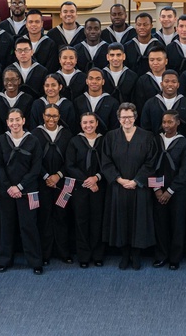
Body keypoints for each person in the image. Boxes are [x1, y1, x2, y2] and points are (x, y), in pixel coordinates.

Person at [101, 103, 158, 269]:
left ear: (135, 117)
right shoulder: (110, 137)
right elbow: (106, 162)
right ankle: (124, 255)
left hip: (138, 187)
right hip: (118, 187)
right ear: (118, 119)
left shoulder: (147, 136)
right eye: (123, 117)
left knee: (138, 220)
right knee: (121, 221)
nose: (127, 120)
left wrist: (136, 181)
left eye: (130, 117)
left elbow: (150, 162)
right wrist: (119, 179)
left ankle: (136, 255)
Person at [0, 108, 44, 274]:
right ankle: (4, 260)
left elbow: (36, 168)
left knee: (29, 226)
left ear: (23, 121)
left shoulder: (33, 141)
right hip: (6, 191)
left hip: (27, 190)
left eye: (17, 119)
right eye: (11, 120)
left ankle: (35, 261)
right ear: (7, 123)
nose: (14, 123)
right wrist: (9, 187)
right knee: (6, 225)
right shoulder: (0, 141)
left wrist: (20, 186)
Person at [151, 111, 186, 270]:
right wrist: (157, 189)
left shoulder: (184, 143)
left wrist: (170, 191)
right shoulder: (156, 140)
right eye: (164, 122)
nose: (167, 125)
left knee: (177, 224)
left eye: (170, 122)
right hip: (158, 191)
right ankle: (161, 255)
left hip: (177, 191)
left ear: (177, 123)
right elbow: (150, 165)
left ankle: (175, 258)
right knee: (161, 225)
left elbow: (185, 170)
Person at [33, 104, 73, 266]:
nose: (51, 119)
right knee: (45, 217)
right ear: (43, 116)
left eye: (54, 116)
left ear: (59, 117)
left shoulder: (67, 134)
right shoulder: (35, 134)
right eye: (48, 116)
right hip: (42, 183)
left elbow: (70, 160)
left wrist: (58, 175)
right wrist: (46, 176)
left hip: (62, 184)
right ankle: (46, 254)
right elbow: (34, 160)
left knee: (62, 217)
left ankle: (64, 252)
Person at [65, 112, 106, 268]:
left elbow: (109, 163)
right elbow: (70, 165)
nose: (88, 125)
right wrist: (88, 181)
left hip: (99, 187)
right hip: (80, 188)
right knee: (81, 221)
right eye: (85, 123)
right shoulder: (75, 141)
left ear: (96, 123)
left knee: (97, 221)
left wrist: (97, 178)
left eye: (91, 122)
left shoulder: (104, 141)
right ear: (81, 125)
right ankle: (83, 255)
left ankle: (97, 255)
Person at [0, 67, 34, 135]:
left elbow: (28, 124)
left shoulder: (27, 99)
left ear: (19, 81)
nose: (9, 83)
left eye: (13, 80)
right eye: (6, 80)